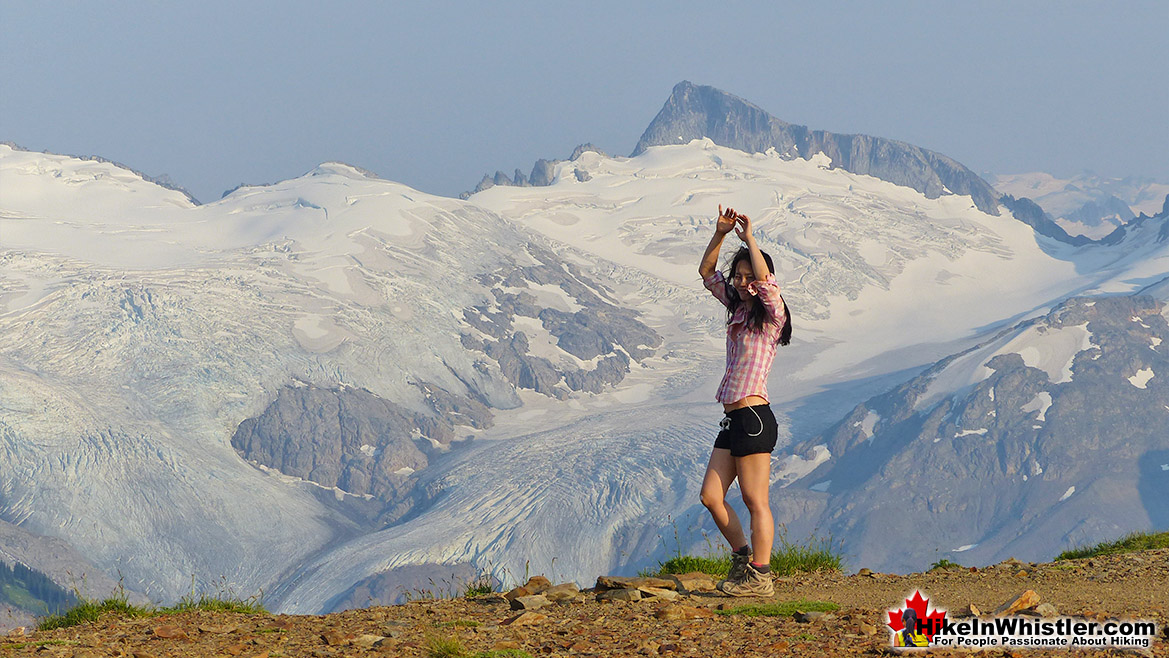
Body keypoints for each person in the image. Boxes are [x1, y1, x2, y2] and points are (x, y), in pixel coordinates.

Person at [697, 205, 792, 597]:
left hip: (754, 415)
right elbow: (707, 274)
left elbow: (768, 284)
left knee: (755, 499)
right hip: (733, 419)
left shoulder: (772, 318)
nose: (739, 282)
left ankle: (762, 576)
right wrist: (720, 234)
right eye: (737, 276)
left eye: (745, 277)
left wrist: (749, 239)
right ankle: (743, 559)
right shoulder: (736, 310)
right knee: (711, 497)